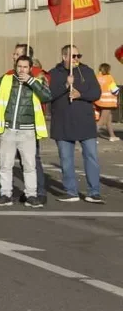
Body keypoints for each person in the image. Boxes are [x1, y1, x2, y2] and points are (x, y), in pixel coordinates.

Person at [0, 54, 52, 208]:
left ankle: (31, 195)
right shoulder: (7, 80)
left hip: (27, 131)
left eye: (25, 67)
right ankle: (5, 194)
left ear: (30, 69)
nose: (21, 69)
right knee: (5, 165)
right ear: (15, 66)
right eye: (19, 66)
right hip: (8, 130)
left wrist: (31, 81)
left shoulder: (37, 82)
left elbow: (47, 96)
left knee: (29, 166)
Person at [48, 45, 104, 204]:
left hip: (85, 122)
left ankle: (94, 192)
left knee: (91, 157)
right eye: (73, 56)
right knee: (66, 159)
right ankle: (70, 190)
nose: (77, 59)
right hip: (63, 122)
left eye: (79, 55)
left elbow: (96, 93)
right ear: (64, 57)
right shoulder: (54, 73)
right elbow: (48, 95)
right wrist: (66, 85)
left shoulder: (87, 71)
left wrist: (81, 94)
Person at [95, 63, 119, 142]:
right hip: (108, 102)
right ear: (108, 69)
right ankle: (91, 136)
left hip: (98, 101)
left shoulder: (96, 77)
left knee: (109, 119)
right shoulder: (109, 78)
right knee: (103, 121)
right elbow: (115, 90)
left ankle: (112, 136)